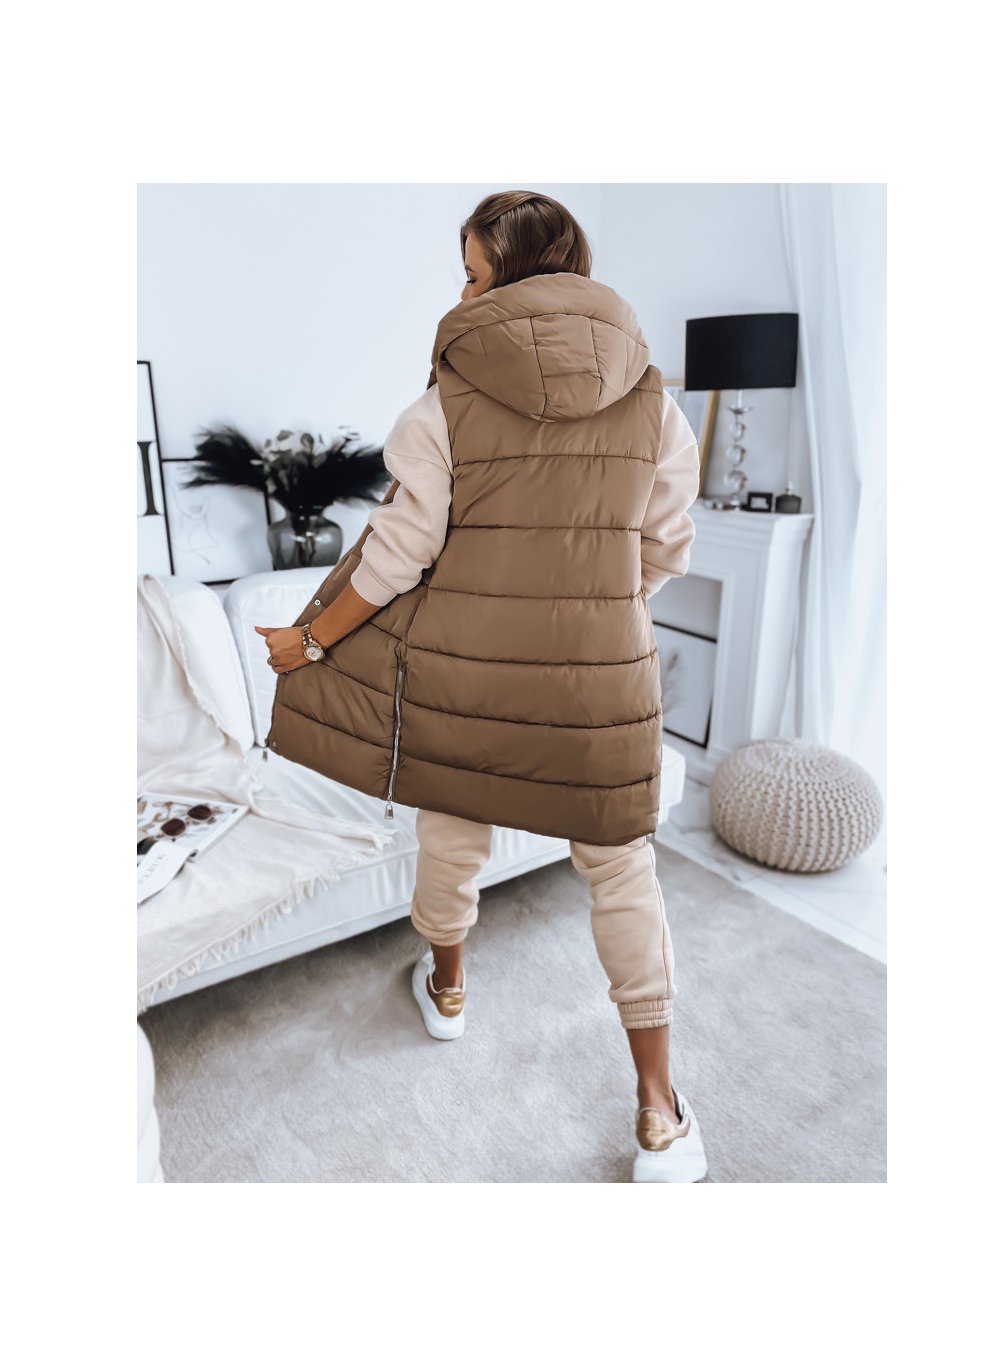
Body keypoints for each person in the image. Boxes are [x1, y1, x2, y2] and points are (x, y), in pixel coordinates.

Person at [255, 191, 707, 1182]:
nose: (463, 294)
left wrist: (309, 640)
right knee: (622, 873)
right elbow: (668, 545)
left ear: (510, 274)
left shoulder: (444, 400)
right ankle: (657, 1108)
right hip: (601, 686)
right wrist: (596, 607)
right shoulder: (655, 401)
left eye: (471, 273)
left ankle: (449, 990)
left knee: (452, 835)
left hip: (466, 678)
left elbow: (397, 556)